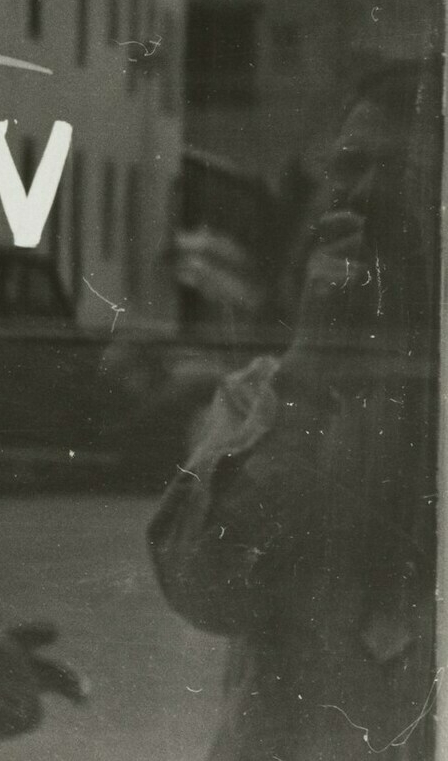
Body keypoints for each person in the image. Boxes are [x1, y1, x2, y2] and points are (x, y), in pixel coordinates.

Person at [149, 59, 442, 761]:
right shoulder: (263, 398)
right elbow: (203, 589)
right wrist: (308, 371)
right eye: (349, 166)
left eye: (401, 175)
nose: (364, 197)